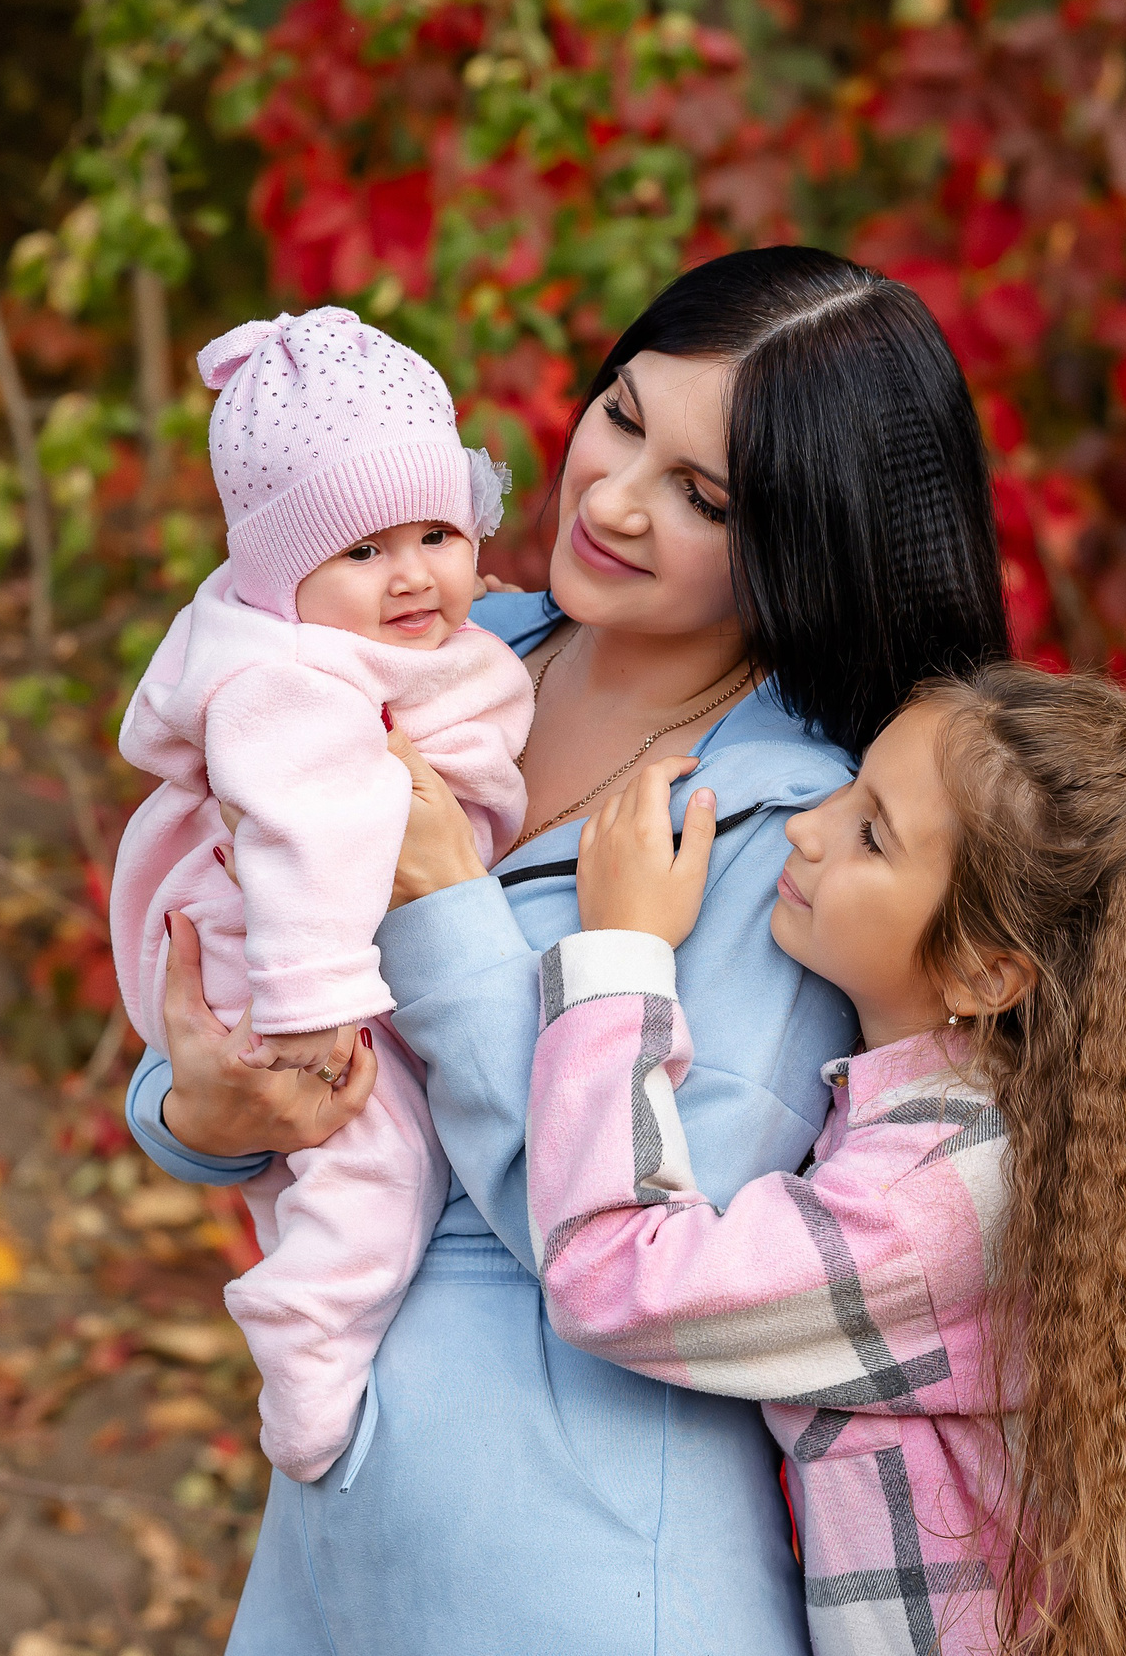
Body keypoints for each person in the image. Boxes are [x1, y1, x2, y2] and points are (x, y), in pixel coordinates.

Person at [128, 247, 1009, 1653]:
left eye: (701, 494)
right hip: (339, 1535)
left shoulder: (790, 828)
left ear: (809, 538)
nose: (608, 498)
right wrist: (198, 1112)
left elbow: (649, 1234)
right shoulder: (434, 648)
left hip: (582, 1564)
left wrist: (438, 903)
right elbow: (229, 951)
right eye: (619, 414)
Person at [524, 665, 1126, 1656]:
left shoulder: (937, 1202)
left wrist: (617, 951)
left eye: (872, 833)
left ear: (984, 969)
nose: (807, 827)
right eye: (853, 787)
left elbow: (610, 1275)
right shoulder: (980, 1132)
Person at [107, 307, 532, 1482]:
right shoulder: (290, 684)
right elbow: (299, 834)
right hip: (286, 962)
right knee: (372, 1164)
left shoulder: (390, 642)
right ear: (283, 578)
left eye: (436, 533)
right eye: (360, 552)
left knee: (351, 1164)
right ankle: (303, 1355)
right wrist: (307, 1006)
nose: (411, 575)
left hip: (331, 954)